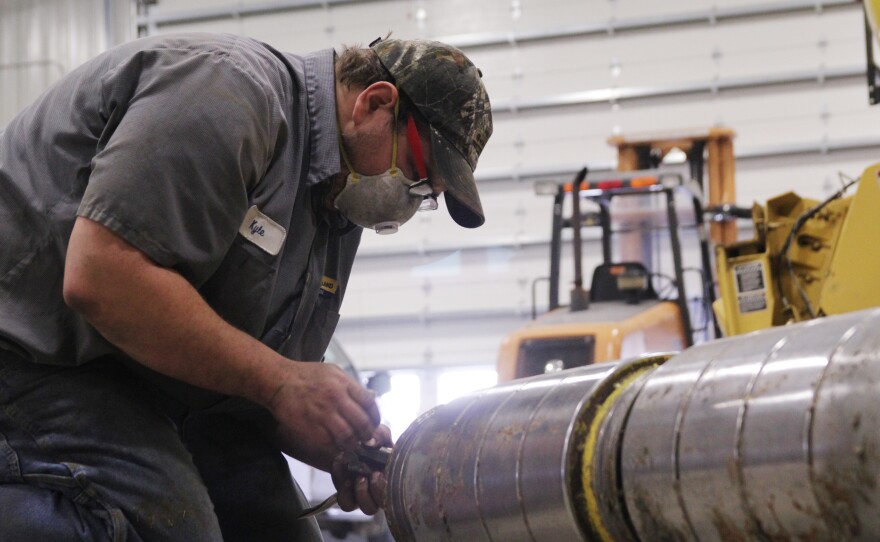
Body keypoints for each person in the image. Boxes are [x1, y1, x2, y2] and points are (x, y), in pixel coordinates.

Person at [0, 32, 492, 541]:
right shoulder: (226, 92)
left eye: (424, 198)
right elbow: (102, 276)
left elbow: (242, 365)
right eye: (415, 177)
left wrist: (333, 439)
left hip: (146, 381)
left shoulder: (335, 206)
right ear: (374, 103)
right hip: (33, 352)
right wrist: (282, 382)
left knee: (274, 529)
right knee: (168, 528)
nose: (408, 205)